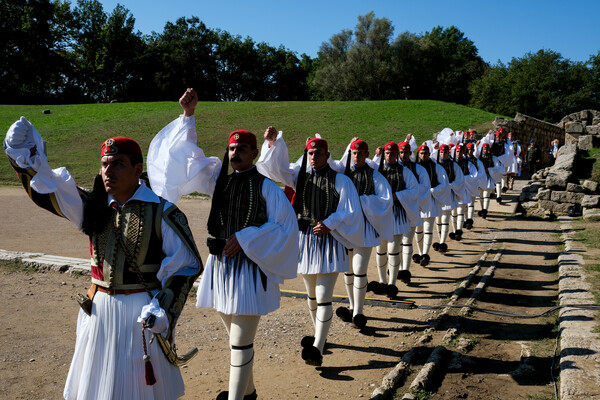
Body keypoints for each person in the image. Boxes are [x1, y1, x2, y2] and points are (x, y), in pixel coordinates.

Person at [4, 118, 203, 400]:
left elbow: (187, 266)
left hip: (140, 315)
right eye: (105, 164)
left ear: (137, 170)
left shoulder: (163, 212)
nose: (108, 171)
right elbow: (51, 193)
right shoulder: (94, 207)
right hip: (99, 312)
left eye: (118, 163)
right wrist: (22, 155)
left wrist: (164, 308)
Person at [146, 88, 299, 400]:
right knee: (236, 340)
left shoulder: (267, 187)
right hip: (220, 269)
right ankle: (250, 391)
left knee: (241, 342)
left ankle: (235, 397)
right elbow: (187, 156)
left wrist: (245, 239)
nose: (234, 153)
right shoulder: (218, 179)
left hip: (249, 272)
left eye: (242, 148)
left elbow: (285, 227)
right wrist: (188, 116)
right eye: (231, 148)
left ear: (254, 153)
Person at [258, 127, 364, 367]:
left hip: (329, 242)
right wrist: (273, 143)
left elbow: (350, 209)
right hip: (305, 240)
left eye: (317, 153)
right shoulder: (299, 176)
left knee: (325, 296)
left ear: (327, 155)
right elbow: (276, 170)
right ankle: (320, 335)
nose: (313, 157)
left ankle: (317, 347)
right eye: (309, 153)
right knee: (311, 296)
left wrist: (330, 223)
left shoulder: (341, 179)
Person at [327, 137, 394, 329]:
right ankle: (352, 305)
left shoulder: (374, 175)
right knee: (348, 271)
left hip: (364, 230)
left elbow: (385, 199)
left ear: (366, 154)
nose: (356, 157)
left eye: (360, 153)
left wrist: (362, 202)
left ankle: (359, 312)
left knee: (359, 271)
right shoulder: (343, 173)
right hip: (345, 230)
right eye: (354, 153)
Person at [367, 141, 419, 299]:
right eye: (387, 153)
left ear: (397, 154)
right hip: (381, 216)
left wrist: (398, 196)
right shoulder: (377, 170)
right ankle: (382, 281)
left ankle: (392, 283)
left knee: (394, 249)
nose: (389, 156)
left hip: (397, 214)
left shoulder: (405, 171)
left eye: (392, 153)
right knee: (381, 249)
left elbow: (414, 189)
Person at [397, 138, 430, 275]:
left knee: (407, 240)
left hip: (411, 208)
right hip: (396, 210)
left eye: (405, 152)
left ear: (410, 152)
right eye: (401, 152)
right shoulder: (391, 169)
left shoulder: (419, 169)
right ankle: (398, 268)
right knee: (396, 242)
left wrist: (407, 195)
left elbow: (424, 187)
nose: (403, 155)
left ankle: (406, 270)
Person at [413, 143, 450, 266]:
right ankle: (419, 252)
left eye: (425, 153)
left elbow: (443, 184)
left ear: (429, 154)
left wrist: (432, 191)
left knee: (428, 229)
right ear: (419, 154)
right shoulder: (414, 168)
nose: (423, 155)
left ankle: (425, 254)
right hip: (418, 202)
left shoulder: (436, 167)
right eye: (421, 153)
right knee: (418, 229)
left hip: (430, 201)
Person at [435, 144, 465, 253]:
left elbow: (460, 180)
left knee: (445, 219)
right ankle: (440, 239)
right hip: (438, 195)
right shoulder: (436, 164)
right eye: (441, 152)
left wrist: (451, 185)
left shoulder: (453, 165)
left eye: (445, 152)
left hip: (448, 195)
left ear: (449, 153)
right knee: (438, 219)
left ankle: (443, 242)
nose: (443, 154)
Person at [477, 143, 503, 218]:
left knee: (486, 195)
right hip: (480, 179)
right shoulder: (479, 158)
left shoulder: (493, 158)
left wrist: (489, 170)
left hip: (488, 178)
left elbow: (497, 168)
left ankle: (485, 210)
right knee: (481, 196)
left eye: (487, 149)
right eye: (484, 149)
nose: (486, 150)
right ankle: (483, 209)